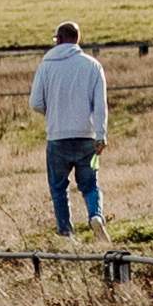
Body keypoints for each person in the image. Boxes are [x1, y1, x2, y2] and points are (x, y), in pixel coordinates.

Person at [30, 21, 110, 235]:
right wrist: (101, 135)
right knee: (90, 185)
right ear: (77, 39)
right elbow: (100, 105)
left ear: (60, 39)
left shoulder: (46, 65)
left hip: (57, 136)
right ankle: (95, 215)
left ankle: (66, 233)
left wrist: (53, 112)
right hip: (86, 136)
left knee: (58, 188)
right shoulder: (92, 65)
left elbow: (36, 102)